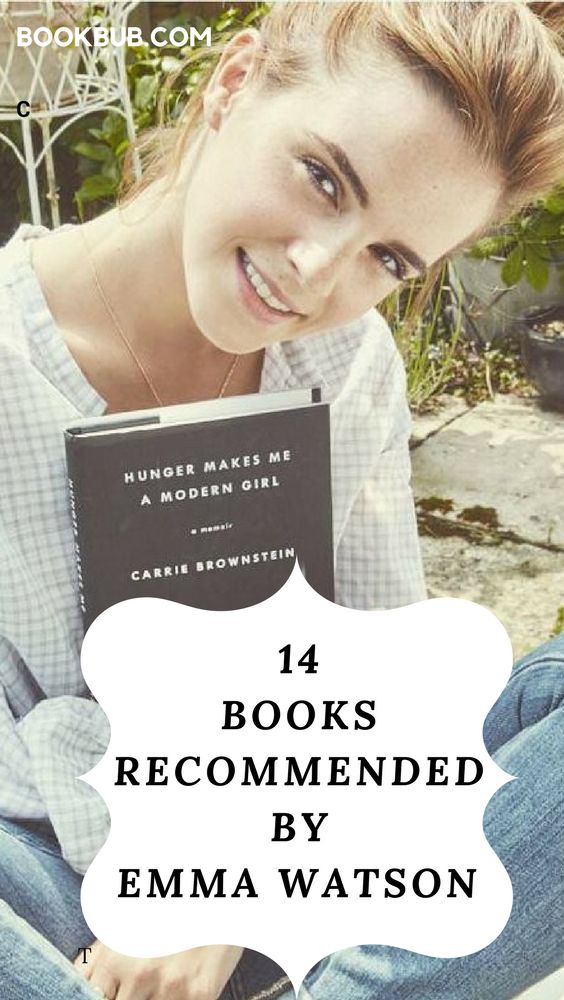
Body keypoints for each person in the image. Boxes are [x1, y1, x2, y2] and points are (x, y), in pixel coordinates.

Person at [0, 1, 563, 998]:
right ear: (230, 84)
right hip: (48, 874)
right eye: (320, 176)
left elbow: (384, 692)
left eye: (388, 259)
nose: (314, 271)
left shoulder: (347, 362)